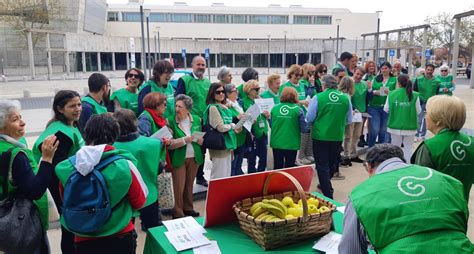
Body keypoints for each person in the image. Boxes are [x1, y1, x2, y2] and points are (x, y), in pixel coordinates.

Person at [339, 144, 472, 253]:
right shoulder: (448, 181)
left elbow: (350, 251)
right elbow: (460, 222)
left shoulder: (361, 194)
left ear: (368, 166)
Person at [55, 114, 148, 254]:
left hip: (83, 236)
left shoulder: (66, 168)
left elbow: (66, 198)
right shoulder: (125, 166)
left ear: (86, 133)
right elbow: (140, 201)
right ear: (115, 136)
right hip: (120, 233)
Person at [0, 100, 58, 254]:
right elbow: (35, 190)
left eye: (21, 117)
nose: (23, 123)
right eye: (15, 119)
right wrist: (47, 158)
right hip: (16, 223)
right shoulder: (15, 155)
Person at [32, 90, 84, 254]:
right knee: (69, 231)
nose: (78, 109)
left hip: (68, 186)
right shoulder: (59, 134)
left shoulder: (69, 125)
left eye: (79, 104)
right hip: (62, 189)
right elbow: (58, 169)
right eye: (72, 106)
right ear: (60, 109)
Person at [413, 95, 474, 202]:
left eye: (427, 113)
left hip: (435, 207)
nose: (425, 116)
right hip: (461, 206)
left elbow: (421, 182)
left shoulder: (430, 146)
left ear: (438, 121)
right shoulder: (471, 142)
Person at [113, 109, 163, 230]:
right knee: (154, 231)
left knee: (126, 233)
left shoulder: (111, 147)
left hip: (123, 197)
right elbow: (159, 168)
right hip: (149, 194)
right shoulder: (154, 144)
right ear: (135, 123)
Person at [306, 75, 352, 199]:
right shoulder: (345, 98)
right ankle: (325, 184)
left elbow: (309, 117)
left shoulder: (318, 97)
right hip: (337, 135)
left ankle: (327, 192)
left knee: (322, 164)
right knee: (332, 163)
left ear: (324, 85)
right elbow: (349, 119)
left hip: (320, 135)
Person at [175, 56, 211, 187]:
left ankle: (200, 176)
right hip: (189, 122)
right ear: (192, 65)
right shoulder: (184, 80)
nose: (201, 67)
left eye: (203, 65)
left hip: (205, 122)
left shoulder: (208, 82)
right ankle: (186, 177)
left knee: (202, 149)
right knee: (189, 149)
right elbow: (178, 99)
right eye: (198, 64)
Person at [167, 95, 204, 218]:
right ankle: (177, 211)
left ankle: (188, 208)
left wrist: (200, 140)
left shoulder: (197, 119)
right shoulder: (170, 121)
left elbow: (202, 139)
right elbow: (170, 144)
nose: (177, 109)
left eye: (180, 107)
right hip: (179, 158)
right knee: (179, 186)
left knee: (189, 184)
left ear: (188, 109)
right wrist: (184, 140)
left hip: (195, 157)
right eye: (176, 106)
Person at [203, 83, 239, 179]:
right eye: (218, 92)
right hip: (219, 146)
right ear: (212, 94)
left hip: (227, 145)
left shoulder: (224, 107)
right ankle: (214, 194)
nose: (221, 94)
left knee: (226, 176)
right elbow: (221, 127)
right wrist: (233, 126)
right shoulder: (213, 107)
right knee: (218, 176)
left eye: (223, 91)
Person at [384, 74, 421, 162]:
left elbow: (386, 109)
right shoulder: (415, 95)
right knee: (408, 148)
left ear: (398, 83)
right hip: (410, 126)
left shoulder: (391, 94)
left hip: (394, 125)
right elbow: (419, 111)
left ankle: (395, 164)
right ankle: (407, 165)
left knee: (395, 147)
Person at [280, 65, 312, 165]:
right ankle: (296, 159)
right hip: (292, 116)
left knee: (304, 136)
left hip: (303, 113)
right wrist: (301, 102)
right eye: (296, 75)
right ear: (291, 74)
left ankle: (301, 156)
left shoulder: (302, 85)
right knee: (295, 137)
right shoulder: (286, 86)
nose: (298, 77)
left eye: (300, 75)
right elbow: (284, 102)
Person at [270, 87, 308, 169]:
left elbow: (271, 124)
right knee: (289, 168)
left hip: (277, 142)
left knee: (277, 166)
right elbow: (304, 129)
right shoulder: (298, 110)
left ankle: (277, 182)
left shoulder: (274, 108)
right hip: (292, 143)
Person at [242, 80, 270, 173]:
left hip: (263, 130)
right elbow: (245, 115)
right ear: (249, 90)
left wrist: (267, 114)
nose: (258, 91)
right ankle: (252, 175)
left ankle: (261, 174)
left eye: (259, 89)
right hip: (253, 131)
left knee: (263, 158)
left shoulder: (260, 99)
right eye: (256, 89)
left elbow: (266, 112)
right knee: (252, 157)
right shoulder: (244, 101)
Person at [367, 62, 397, 147]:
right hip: (374, 107)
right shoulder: (375, 78)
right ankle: (371, 148)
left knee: (383, 131)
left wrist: (388, 93)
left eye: (386, 68)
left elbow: (396, 92)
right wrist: (374, 92)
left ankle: (380, 150)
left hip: (387, 107)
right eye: (382, 68)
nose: (383, 70)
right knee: (374, 129)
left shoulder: (394, 79)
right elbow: (370, 91)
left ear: (390, 69)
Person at [225, 83, 247, 176]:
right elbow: (227, 120)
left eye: (236, 90)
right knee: (233, 165)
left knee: (239, 164)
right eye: (234, 91)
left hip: (241, 136)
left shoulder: (238, 103)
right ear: (228, 94)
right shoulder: (226, 106)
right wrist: (237, 118)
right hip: (233, 138)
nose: (237, 92)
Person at [413, 64, 441, 141]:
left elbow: (437, 93)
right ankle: (416, 134)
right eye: (428, 69)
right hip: (420, 101)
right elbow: (414, 91)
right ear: (425, 70)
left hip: (430, 102)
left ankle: (423, 135)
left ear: (433, 71)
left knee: (427, 119)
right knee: (419, 118)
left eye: (431, 70)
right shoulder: (418, 79)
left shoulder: (437, 81)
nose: (429, 71)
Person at [339, 76, 357, 167]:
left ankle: (344, 156)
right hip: (347, 119)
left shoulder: (340, 94)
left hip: (341, 119)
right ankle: (347, 156)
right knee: (348, 138)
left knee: (343, 138)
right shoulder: (347, 96)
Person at [351, 67, 371, 148]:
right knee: (350, 134)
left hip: (362, 111)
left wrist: (370, 89)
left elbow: (369, 98)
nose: (359, 76)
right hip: (353, 111)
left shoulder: (364, 84)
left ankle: (353, 152)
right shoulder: (350, 83)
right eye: (357, 74)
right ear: (354, 73)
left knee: (357, 134)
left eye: (361, 75)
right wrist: (353, 108)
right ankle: (348, 154)